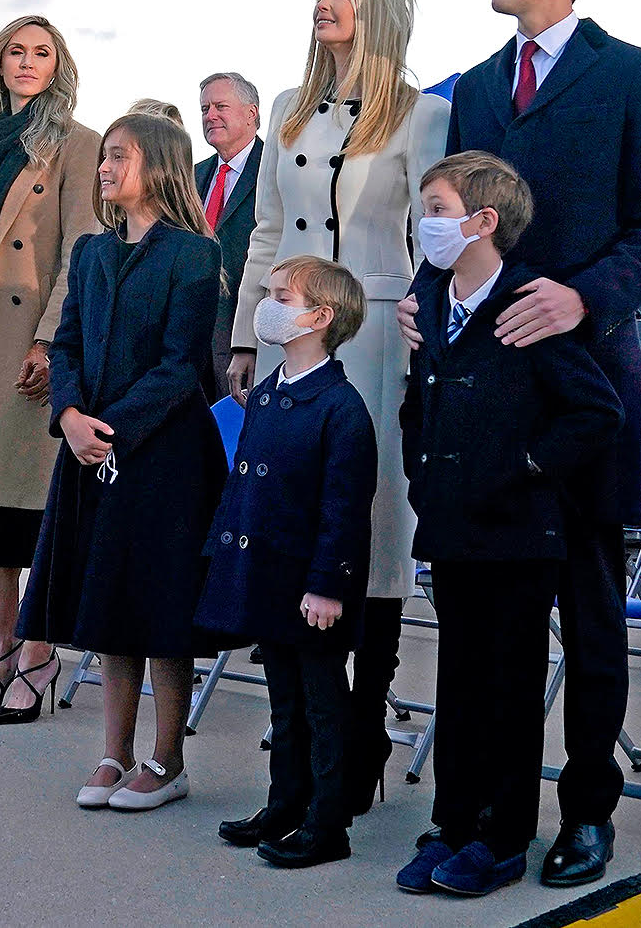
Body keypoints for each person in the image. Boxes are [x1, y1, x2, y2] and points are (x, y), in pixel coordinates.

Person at [396, 0, 641, 886]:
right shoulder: (476, 88)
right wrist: (427, 308)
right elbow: (461, 223)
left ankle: (589, 812)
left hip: (586, 388)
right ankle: (485, 812)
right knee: (490, 630)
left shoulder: (637, 75)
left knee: (595, 616)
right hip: (485, 403)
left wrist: (581, 298)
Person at [228, 0, 449, 815]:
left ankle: (361, 736)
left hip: (380, 337)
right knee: (292, 516)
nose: (324, 5)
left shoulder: (424, 113)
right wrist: (250, 332)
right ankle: (299, 753)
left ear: (380, 10)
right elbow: (269, 228)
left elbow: (428, 233)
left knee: (373, 527)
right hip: (296, 337)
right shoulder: (286, 108)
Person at [395, 152, 622, 897]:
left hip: (520, 534)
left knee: (510, 687)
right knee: (457, 681)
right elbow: (418, 402)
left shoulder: (528, 303)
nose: (424, 222)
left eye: (435, 207)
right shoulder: (431, 302)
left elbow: (595, 412)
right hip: (454, 525)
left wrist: (524, 466)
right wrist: (424, 477)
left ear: (482, 221)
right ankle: (453, 822)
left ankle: (502, 836)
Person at [17, 112, 225, 811]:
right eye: (104, 156)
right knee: (108, 602)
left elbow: (180, 367)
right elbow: (66, 344)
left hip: (163, 455)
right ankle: (114, 752)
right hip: (90, 448)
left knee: (160, 608)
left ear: (160, 166)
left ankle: (168, 762)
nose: (105, 168)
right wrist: (70, 418)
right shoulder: (91, 252)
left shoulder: (194, 255)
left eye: (119, 157)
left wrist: (110, 428)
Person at [0, 15, 100, 721]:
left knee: (28, 515)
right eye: (15, 51)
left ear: (58, 66)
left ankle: (38, 654)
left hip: (26, 348)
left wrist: (50, 338)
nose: (26, 62)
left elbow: (83, 248)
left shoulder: (77, 143)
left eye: (41, 52)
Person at [200, 256, 375, 867]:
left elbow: (344, 510)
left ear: (320, 317)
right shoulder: (270, 393)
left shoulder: (342, 407)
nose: (266, 305)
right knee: (284, 699)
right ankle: (284, 804)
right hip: (268, 574)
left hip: (311, 586)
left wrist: (328, 586)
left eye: (281, 296)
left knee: (323, 702)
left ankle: (328, 823)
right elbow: (245, 485)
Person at [195, 72, 264, 399]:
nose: (210, 115)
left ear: (252, 114)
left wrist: (247, 341)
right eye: (205, 108)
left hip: (245, 338)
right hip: (192, 341)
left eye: (220, 106)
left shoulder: (273, 169)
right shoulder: (193, 176)